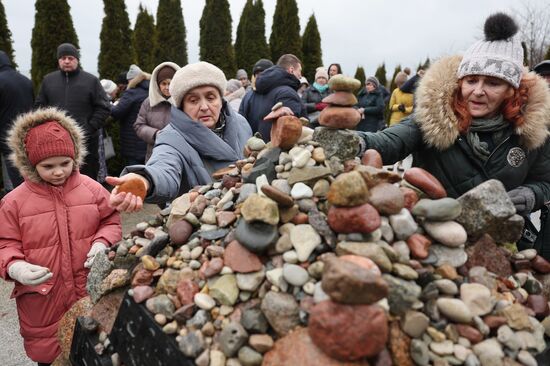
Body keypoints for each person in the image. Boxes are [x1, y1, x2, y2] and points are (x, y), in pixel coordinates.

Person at [356, 13, 550, 249]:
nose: (478, 91)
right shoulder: (434, 118)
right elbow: (388, 141)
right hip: (435, 239)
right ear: (460, 83)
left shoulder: (532, 133)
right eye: (471, 81)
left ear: (512, 91)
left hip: (501, 246)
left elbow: (544, 182)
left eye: (492, 83)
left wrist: (530, 195)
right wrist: (357, 143)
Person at [0, 108, 121, 365]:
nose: (58, 172)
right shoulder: (13, 202)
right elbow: (5, 243)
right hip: (43, 302)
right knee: (51, 357)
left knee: (96, 353)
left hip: (87, 291)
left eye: (65, 163)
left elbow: (110, 220)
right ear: (31, 163)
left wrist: (103, 242)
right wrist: (14, 266)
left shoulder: (91, 189)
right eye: (48, 166)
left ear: (75, 157)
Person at [106, 61, 252, 210]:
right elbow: (164, 167)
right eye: (193, 100)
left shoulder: (241, 123)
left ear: (221, 100)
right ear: (182, 106)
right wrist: (144, 179)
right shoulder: (170, 138)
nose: (204, 107)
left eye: (210, 97)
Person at [35, 43, 111, 181]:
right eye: (63, 58)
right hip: (56, 142)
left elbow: (103, 107)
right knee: (60, 179)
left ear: (77, 59)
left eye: (70, 58)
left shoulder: (91, 80)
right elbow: (40, 107)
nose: (67, 61)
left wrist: (89, 127)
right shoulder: (48, 80)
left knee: (86, 178)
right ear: (59, 60)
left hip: (86, 142)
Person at [239, 54, 305, 140]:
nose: (300, 76)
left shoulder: (254, 94)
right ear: (291, 70)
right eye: (299, 71)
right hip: (278, 150)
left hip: (256, 147)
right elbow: (289, 132)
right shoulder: (287, 93)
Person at [0, 50, 34, 191]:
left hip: (5, 135)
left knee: (12, 174)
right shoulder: (25, 80)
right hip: (26, 133)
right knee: (26, 172)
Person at [134, 62, 180, 162]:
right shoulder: (148, 102)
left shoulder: (184, 102)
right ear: (158, 84)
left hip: (179, 154)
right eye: (164, 83)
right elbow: (139, 125)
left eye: (170, 83)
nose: (167, 87)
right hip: (154, 155)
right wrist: (155, 134)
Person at [111, 64, 149, 166]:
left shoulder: (131, 93)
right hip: (149, 139)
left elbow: (117, 112)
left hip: (133, 140)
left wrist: (108, 104)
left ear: (133, 80)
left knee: (134, 173)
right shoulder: (151, 91)